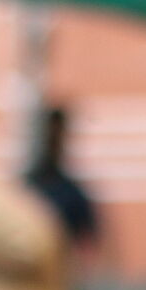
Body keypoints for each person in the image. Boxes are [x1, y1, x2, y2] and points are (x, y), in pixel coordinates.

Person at [23, 104, 99, 252]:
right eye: (49, 136)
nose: (52, 143)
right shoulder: (25, 189)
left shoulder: (71, 192)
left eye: (57, 137)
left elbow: (93, 241)